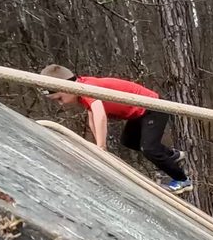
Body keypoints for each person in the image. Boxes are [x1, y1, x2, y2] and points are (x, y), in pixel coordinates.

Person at [40, 65, 193, 195]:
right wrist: (96, 146)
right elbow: (92, 117)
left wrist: (101, 147)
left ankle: (182, 180)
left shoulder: (86, 88)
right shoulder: (82, 89)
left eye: (59, 98)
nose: (60, 104)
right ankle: (171, 155)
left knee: (149, 149)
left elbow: (100, 115)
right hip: (139, 113)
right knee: (129, 141)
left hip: (153, 107)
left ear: (65, 87)